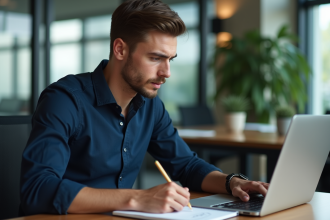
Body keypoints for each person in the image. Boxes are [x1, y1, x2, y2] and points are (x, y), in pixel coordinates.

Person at [20, 0, 269, 215]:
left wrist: (232, 182)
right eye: (155, 58)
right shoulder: (64, 100)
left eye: (170, 59)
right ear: (120, 49)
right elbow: (37, 189)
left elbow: (186, 166)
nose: (167, 72)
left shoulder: (151, 106)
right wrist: (138, 198)